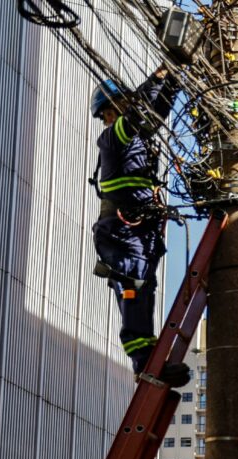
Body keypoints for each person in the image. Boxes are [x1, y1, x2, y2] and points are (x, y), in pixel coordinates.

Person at [89, 65, 189, 387]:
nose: (130, 107)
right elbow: (140, 114)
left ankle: (150, 360)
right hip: (122, 232)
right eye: (124, 103)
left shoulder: (136, 136)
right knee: (133, 290)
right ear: (108, 111)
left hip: (140, 231)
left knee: (144, 292)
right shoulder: (113, 136)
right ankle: (144, 364)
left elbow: (154, 114)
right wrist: (158, 78)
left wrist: (174, 80)